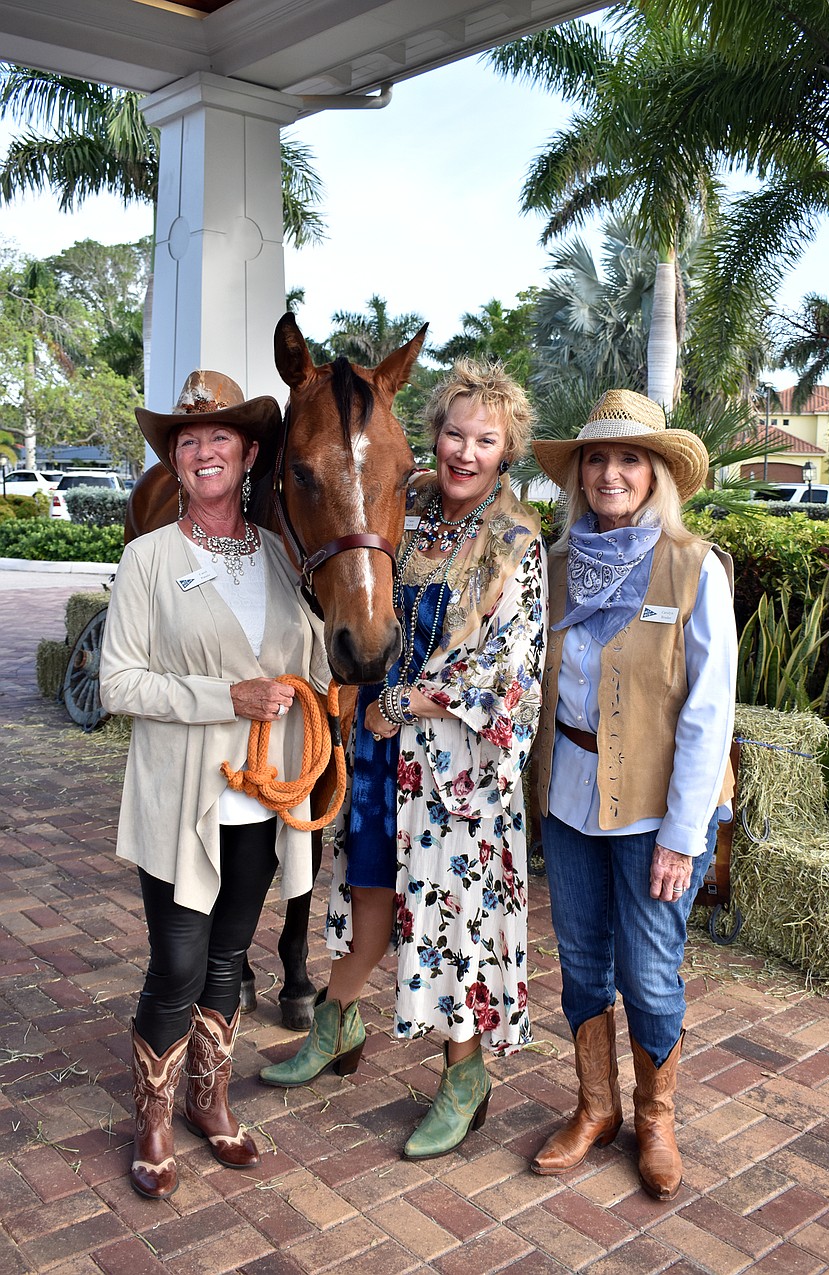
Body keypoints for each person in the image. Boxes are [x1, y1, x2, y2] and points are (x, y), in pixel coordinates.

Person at [260, 359, 547, 1160]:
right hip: (383, 758)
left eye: (485, 440)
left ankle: (465, 1076)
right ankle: (335, 1023)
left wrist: (405, 703)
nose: (465, 452)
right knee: (370, 894)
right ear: (433, 436)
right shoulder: (409, 510)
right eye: (454, 433)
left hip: (457, 774)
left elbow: (510, 672)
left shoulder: (514, 543)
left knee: (455, 922)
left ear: (506, 450)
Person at [100, 370, 328, 1200]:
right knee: (177, 962)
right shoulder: (148, 558)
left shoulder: (279, 555)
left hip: (263, 798)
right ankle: (154, 1116)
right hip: (183, 798)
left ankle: (209, 1097)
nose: (203, 452)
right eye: (187, 440)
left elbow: (312, 661)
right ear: (176, 459)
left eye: (219, 437)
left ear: (249, 452)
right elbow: (118, 683)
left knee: (229, 956)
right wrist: (223, 696)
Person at [530, 388, 736, 1200]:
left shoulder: (693, 566)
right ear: (578, 473)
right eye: (596, 458)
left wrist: (684, 835)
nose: (610, 473)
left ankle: (656, 1118)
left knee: (648, 973)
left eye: (629, 459)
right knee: (582, 963)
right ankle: (596, 1105)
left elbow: (709, 711)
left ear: (656, 474)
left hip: (657, 810)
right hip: (571, 799)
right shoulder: (554, 568)